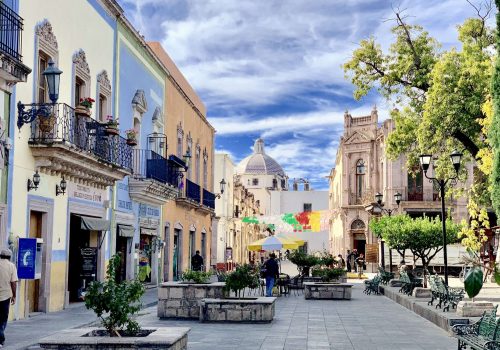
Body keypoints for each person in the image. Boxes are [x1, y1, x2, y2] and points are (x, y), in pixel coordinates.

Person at [0, 249, 17, 347]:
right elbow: (13, 282)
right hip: (5, 296)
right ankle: (1, 338)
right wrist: (14, 296)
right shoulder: (11, 266)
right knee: (3, 318)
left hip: (5, 295)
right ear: (9, 257)